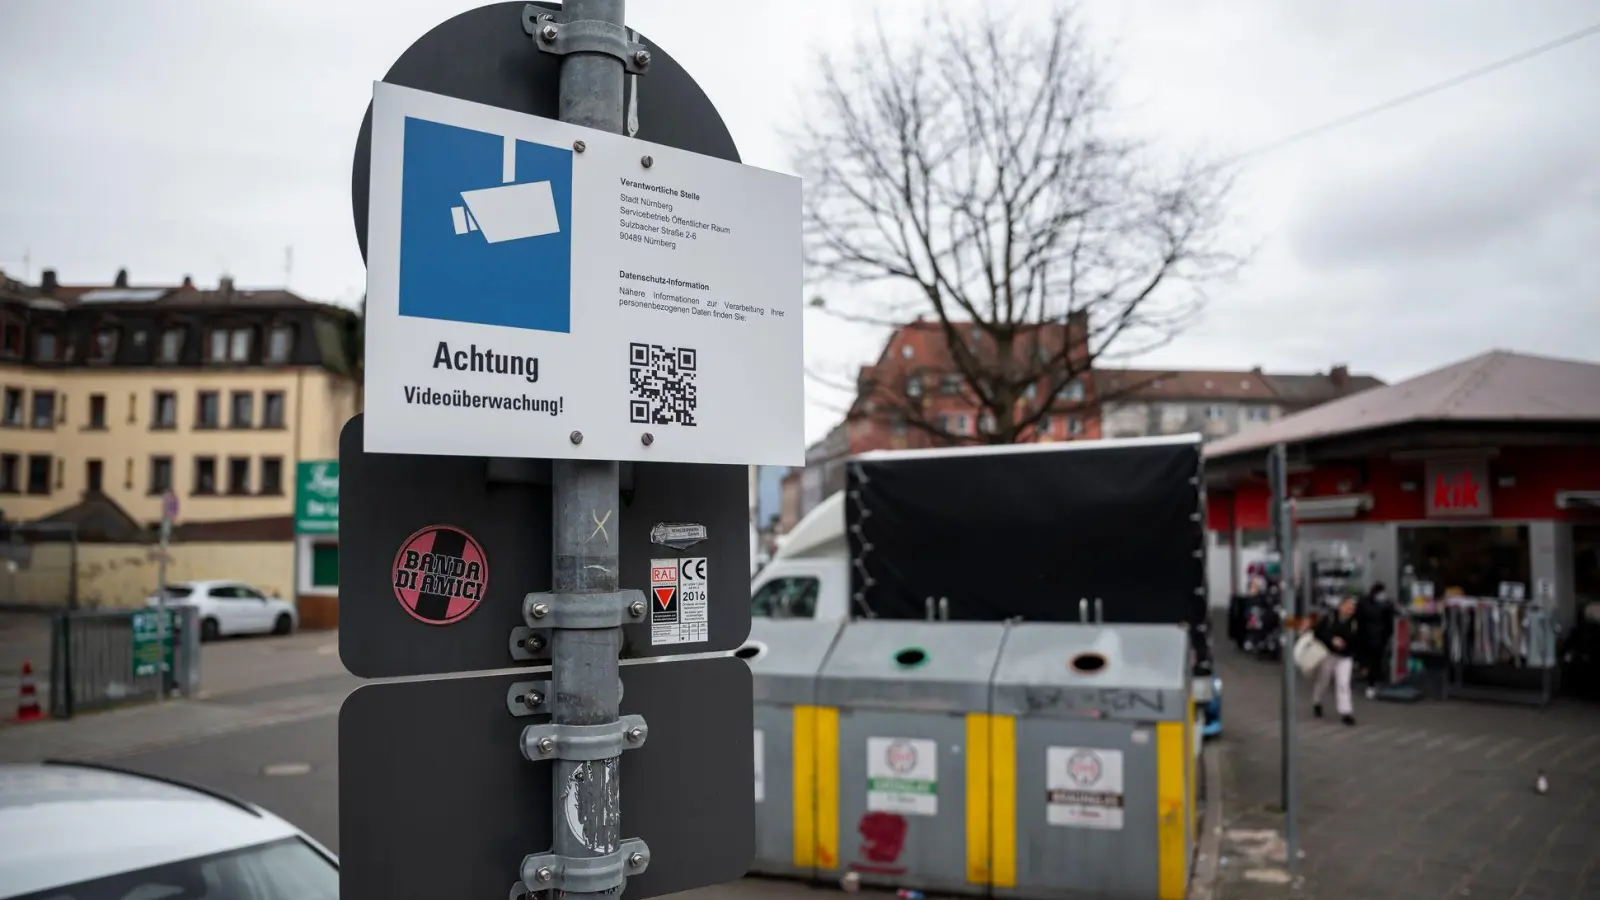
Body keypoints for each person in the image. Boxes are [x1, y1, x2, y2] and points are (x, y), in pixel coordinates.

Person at [1312, 597, 1360, 725]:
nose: (1350, 610)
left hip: (1345, 657)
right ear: (1341, 606)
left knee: (1343, 683)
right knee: (1323, 681)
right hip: (1328, 654)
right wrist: (1332, 639)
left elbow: (1358, 641)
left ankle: (1346, 712)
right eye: (1348, 606)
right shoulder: (1330, 618)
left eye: (1353, 608)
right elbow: (1317, 632)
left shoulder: (1355, 623)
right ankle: (1317, 702)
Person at [1356, 582, 1392, 696]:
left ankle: (1369, 679)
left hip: (1369, 636)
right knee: (1375, 662)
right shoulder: (1383, 605)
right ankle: (1371, 684)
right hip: (1376, 637)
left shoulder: (1364, 602)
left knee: (1371, 661)